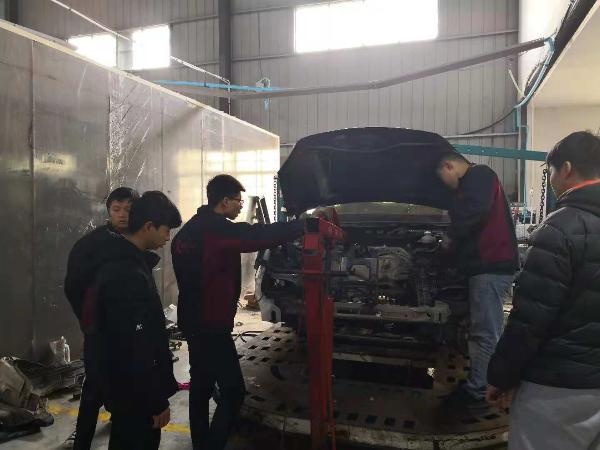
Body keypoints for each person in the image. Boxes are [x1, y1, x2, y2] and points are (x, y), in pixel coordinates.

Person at [171, 175, 304, 450]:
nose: (241, 206)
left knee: (201, 385)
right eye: (238, 201)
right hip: (212, 324)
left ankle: (200, 443)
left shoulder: (188, 231)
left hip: (192, 320)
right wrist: (303, 226)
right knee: (233, 391)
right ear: (224, 201)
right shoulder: (216, 230)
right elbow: (256, 236)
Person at [487, 131, 600, 450]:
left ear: (566, 169)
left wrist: (501, 376)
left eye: (550, 172)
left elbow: (530, 319)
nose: (551, 180)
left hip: (557, 390)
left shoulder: (560, 228)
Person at [93, 191, 181, 450]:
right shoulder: (128, 273)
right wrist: (156, 400)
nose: (168, 237)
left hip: (127, 390)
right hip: (136, 396)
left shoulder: (128, 261)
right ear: (148, 227)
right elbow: (135, 347)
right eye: (166, 230)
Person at [435, 153, 519, 409]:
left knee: (485, 331)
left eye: (442, 178)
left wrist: (449, 238)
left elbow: (475, 210)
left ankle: (479, 390)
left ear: (449, 166)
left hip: (490, 265)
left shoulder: (479, 174)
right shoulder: (476, 181)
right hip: (486, 265)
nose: (445, 185)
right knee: (482, 329)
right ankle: (479, 381)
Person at [63, 187, 139, 450]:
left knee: (124, 386)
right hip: (100, 331)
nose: (122, 215)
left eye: (128, 209)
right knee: (94, 388)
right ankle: (82, 442)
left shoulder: (137, 240)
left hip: (129, 332)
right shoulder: (90, 245)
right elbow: (73, 287)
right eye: (116, 209)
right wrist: (89, 321)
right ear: (108, 211)